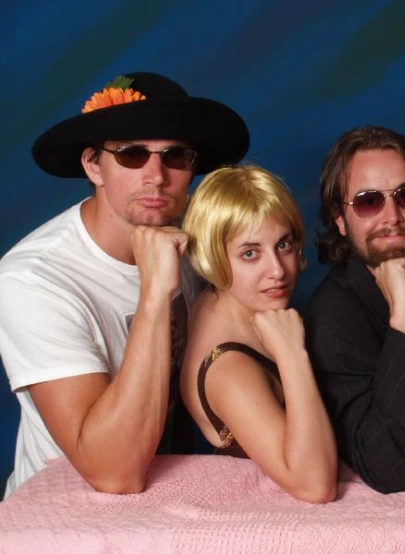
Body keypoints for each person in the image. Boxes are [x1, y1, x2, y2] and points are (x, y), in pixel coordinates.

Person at [0, 72, 249, 496]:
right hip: (62, 511)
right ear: (93, 165)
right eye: (132, 154)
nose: (156, 175)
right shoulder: (32, 280)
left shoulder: (204, 236)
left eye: (175, 156)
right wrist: (154, 292)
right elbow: (113, 473)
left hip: (171, 492)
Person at [305, 125, 405, 494]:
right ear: (340, 219)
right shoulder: (333, 321)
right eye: (368, 200)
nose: (392, 216)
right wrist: (403, 319)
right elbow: (393, 471)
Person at [180, 165, 337, 503]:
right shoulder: (229, 370)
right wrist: (293, 355)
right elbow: (315, 486)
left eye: (283, 244)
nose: (278, 271)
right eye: (250, 253)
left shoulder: (218, 296)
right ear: (212, 258)